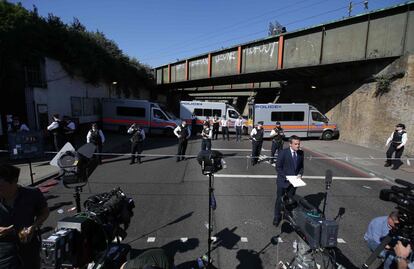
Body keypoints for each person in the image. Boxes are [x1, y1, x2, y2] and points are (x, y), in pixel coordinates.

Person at [0, 164, 49, 269]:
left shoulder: (32, 194)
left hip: (29, 248)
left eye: (1, 186)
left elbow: (44, 212)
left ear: (14, 181)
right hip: (3, 252)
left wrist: (34, 226)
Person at [273, 135, 304, 227]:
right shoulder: (283, 153)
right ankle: (277, 216)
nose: (298, 146)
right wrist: (286, 177)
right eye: (296, 144)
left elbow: (301, 167)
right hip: (283, 181)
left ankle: (288, 216)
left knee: (290, 200)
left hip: (294, 182)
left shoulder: (301, 153)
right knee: (279, 199)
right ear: (290, 144)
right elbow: (278, 167)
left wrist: (300, 174)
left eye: (298, 144)